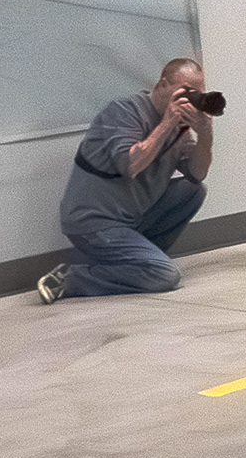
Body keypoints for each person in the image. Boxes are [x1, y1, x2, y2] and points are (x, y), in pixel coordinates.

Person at [36, 58, 214, 303]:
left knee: (193, 190)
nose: (190, 100)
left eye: (197, 94)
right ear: (163, 84)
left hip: (131, 218)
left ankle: (139, 263)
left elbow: (197, 173)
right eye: (186, 92)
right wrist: (167, 123)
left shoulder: (180, 129)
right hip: (94, 222)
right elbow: (131, 165)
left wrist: (205, 133)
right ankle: (70, 278)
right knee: (165, 276)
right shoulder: (123, 112)